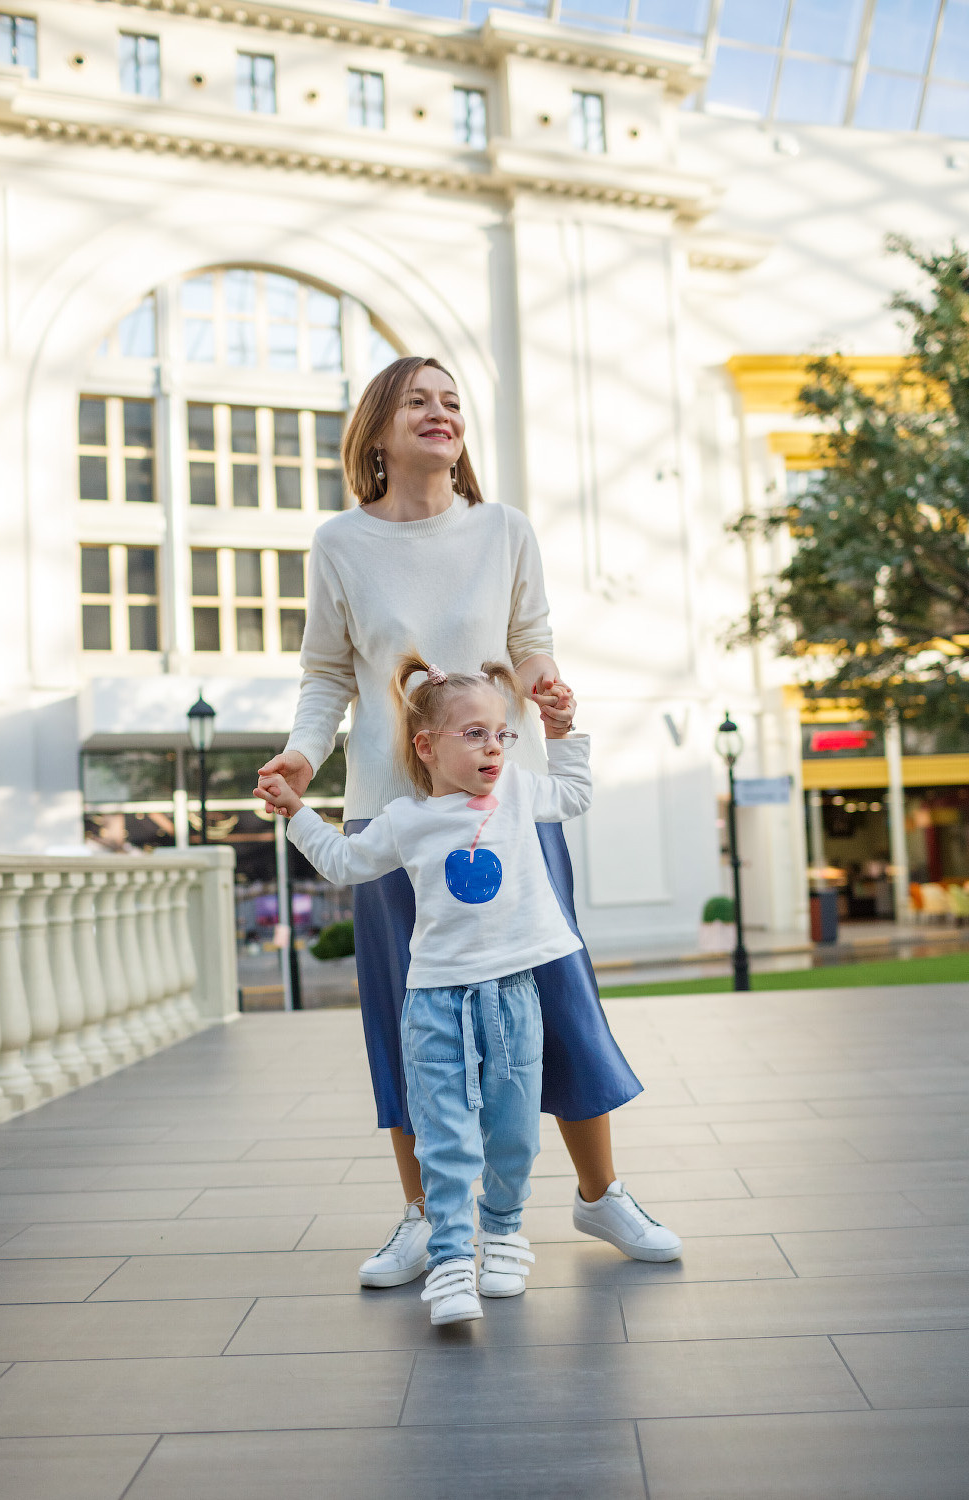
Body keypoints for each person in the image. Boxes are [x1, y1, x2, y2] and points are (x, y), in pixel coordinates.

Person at [257, 354, 681, 1286]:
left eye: (452, 402)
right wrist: (303, 753)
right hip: (389, 815)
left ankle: (599, 1193)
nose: (440, 413)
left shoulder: (504, 530)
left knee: (560, 997)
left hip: (508, 807)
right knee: (409, 1018)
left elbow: (530, 647)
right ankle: (422, 1215)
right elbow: (328, 675)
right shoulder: (340, 543)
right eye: (419, 400)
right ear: (377, 428)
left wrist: (548, 692)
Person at [257, 654, 591, 1324]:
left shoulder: (522, 793)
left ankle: (500, 1235)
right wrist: (296, 811)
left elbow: (576, 795)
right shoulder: (407, 819)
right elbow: (346, 863)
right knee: (444, 1136)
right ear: (426, 745)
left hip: (514, 997)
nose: (493, 747)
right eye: (473, 734)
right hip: (435, 1002)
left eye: (500, 734)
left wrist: (561, 731)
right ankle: (447, 1262)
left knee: (514, 1131)